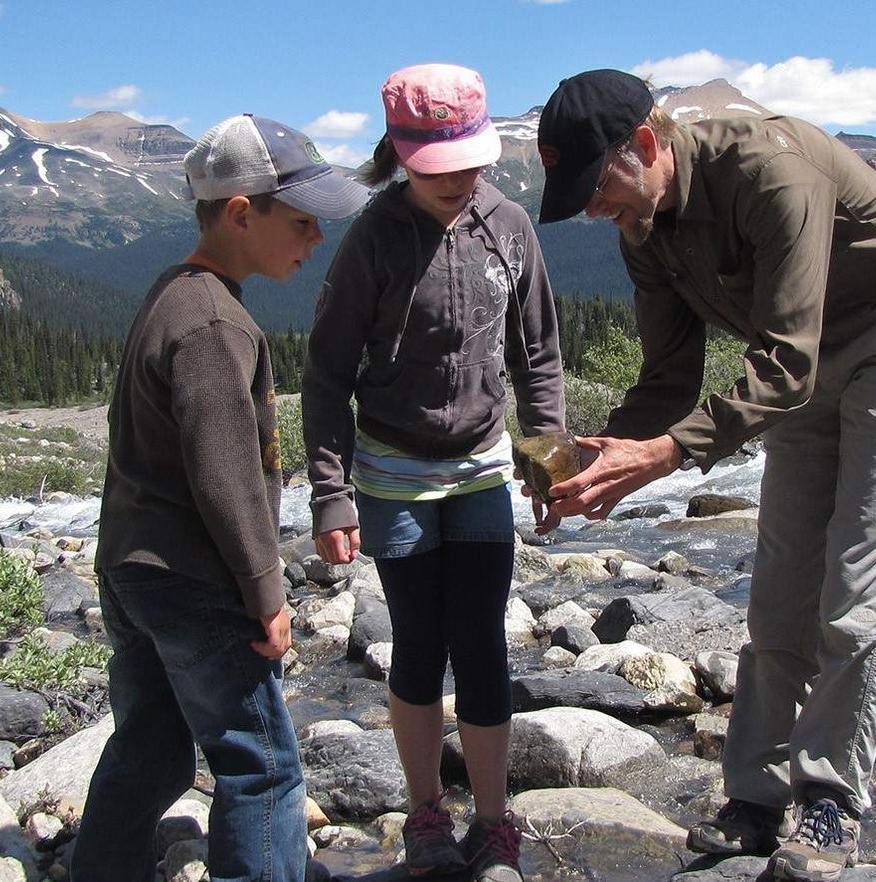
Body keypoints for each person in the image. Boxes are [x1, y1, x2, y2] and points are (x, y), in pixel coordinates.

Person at [532, 70, 876, 882]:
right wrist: (594, 461)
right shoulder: (644, 227)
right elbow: (667, 378)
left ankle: (832, 799)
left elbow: (785, 365)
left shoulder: (771, 168)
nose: (595, 210)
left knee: (860, 588)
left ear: (648, 146)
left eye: (600, 187)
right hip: (796, 367)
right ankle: (756, 799)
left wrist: (664, 455)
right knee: (782, 587)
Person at [76, 114, 370, 882]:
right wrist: (265, 591)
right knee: (260, 766)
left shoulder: (174, 293)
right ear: (242, 213)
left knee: (151, 746)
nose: (316, 239)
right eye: (302, 221)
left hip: (132, 566)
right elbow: (226, 474)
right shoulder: (214, 322)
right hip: (196, 581)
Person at [302, 63, 565, 882]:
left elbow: (540, 353)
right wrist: (331, 493)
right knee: (417, 643)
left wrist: (550, 451)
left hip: (484, 469)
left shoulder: (510, 225)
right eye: (437, 164)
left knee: (482, 643)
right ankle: (425, 815)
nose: (459, 178)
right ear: (401, 155)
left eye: (471, 162)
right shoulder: (374, 239)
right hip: (391, 473)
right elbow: (326, 373)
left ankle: (493, 823)